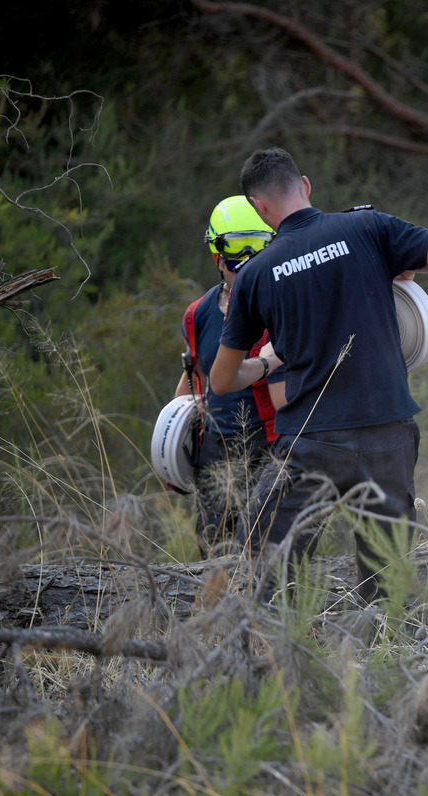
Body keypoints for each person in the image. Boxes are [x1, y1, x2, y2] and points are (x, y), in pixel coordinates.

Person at [210, 147, 428, 603]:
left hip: (311, 442)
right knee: (388, 586)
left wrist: (266, 363)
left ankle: (277, 656)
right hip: (389, 435)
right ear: (306, 185)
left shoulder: (256, 275)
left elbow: (221, 381)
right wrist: (399, 261)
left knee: (268, 575)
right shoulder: (368, 227)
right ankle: (387, 653)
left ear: (260, 208)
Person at [175, 195, 284, 557]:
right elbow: (195, 378)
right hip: (216, 452)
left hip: (272, 447)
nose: (250, 262)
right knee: (215, 554)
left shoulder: (284, 303)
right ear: (218, 255)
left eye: (260, 248)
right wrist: (172, 443)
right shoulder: (198, 314)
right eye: (240, 251)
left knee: (269, 553)